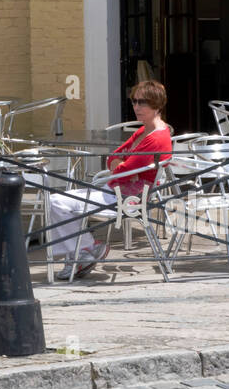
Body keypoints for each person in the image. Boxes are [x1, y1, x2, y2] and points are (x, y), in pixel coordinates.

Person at [43, 80, 173, 280]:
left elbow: (124, 169)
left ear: (157, 104)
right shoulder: (143, 130)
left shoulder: (155, 138)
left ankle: (84, 251)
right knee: (56, 201)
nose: (136, 107)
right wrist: (118, 166)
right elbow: (113, 158)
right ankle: (83, 252)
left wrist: (119, 167)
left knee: (56, 202)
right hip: (114, 191)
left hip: (127, 200)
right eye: (134, 101)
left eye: (143, 102)